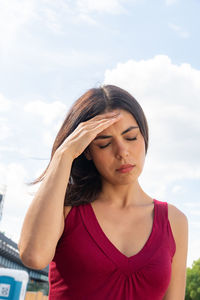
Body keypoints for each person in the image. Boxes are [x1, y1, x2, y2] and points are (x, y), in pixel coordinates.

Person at [18, 84, 188, 300]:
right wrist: (64, 155)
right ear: (87, 151)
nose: (122, 152)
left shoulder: (174, 221)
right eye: (105, 143)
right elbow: (33, 256)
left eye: (131, 137)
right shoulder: (66, 209)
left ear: (144, 137)